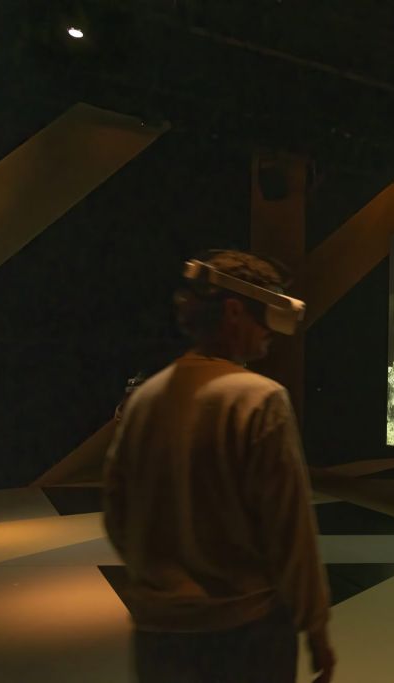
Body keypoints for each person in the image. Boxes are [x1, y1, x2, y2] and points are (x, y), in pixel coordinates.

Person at [104, 250, 335, 683]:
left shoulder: (144, 402)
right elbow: (291, 531)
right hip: (244, 636)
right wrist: (316, 626)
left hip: (159, 638)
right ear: (233, 312)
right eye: (264, 315)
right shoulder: (260, 400)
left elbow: (116, 514)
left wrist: (162, 585)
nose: (271, 333)